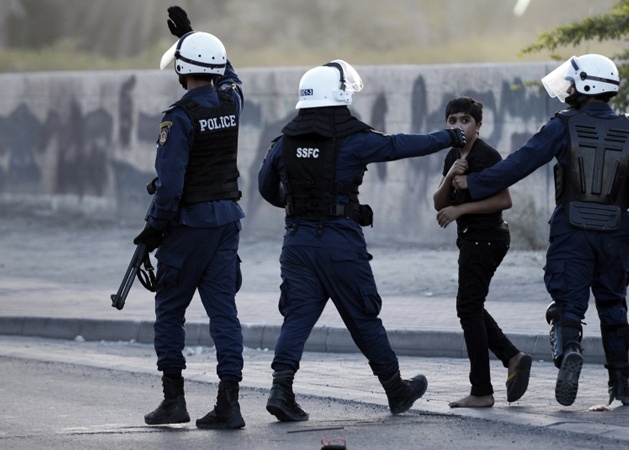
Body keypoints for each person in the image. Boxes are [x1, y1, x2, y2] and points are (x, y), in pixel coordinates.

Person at [258, 59, 466, 421]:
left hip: (297, 243)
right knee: (364, 317)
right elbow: (400, 145)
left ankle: (281, 388)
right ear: (338, 97)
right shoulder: (352, 140)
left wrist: (296, 204)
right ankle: (395, 389)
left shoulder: (283, 143)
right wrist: (449, 137)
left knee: (296, 318)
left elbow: (265, 187)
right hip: (339, 244)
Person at [453, 54, 629, 407]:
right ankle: (620, 386)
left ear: (585, 86)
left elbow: (520, 163)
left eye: (573, 82)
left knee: (567, 306)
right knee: (614, 306)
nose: (569, 88)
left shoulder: (563, 125)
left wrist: (473, 182)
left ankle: (571, 351)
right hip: (617, 231)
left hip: (573, 230)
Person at [133, 6, 246, 429]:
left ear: (182, 70)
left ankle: (173, 400)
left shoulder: (177, 118)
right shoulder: (231, 99)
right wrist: (193, 35)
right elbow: (229, 71)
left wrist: (153, 230)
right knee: (224, 314)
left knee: (169, 310)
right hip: (227, 223)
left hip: (188, 228)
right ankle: (229, 404)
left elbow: (170, 186)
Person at [432, 97, 532, 408]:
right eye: (452, 121)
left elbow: (504, 200)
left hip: (487, 239)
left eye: (465, 120)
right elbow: (438, 202)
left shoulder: (487, 156)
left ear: (478, 126)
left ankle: (482, 390)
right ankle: (512, 357)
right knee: (470, 306)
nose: (458, 126)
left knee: (468, 308)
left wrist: (461, 209)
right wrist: (451, 176)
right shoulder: (453, 155)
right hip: (472, 239)